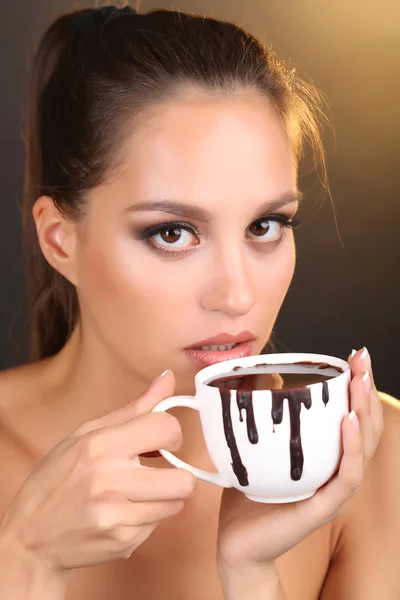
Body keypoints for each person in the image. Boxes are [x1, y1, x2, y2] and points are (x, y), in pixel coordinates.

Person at [0, 5, 398, 599]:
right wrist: (24, 561)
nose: (237, 296)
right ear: (62, 239)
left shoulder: (374, 460)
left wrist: (251, 575)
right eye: (172, 233)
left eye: (266, 226)